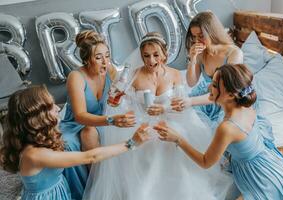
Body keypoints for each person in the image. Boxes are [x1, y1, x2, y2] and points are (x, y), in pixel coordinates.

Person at [83, 32, 233, 200]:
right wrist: (117, 100)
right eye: (146, 56)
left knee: (171, 141)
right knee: (147, 145)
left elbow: (181, 107)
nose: (151, 60)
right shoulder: (132, 75)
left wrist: (164, 109)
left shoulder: (176, 75)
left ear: (165, 55)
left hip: (171, 123)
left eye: (156, 55)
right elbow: (119, 104)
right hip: (142, 124)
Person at [155, 64, 283, 200]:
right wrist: (190, 101)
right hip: (274, 166)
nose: (209, 87)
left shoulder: (227, 127)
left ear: (230, 95)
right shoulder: (246, 106)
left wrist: (177, 139)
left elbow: (205, 162)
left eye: (215, 86)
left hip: (262, 180)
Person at [0, 85, 149, 200]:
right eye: (51, 106)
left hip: (58, 191)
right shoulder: (34, 154)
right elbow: (90, 157)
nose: (58, 108)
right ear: (38, 117)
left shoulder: (35, 138)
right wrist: (130, 143)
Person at [59, 30, 136, 199]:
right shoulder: (76, 77)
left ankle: (102, 187)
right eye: (98, 57)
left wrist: (122, 96)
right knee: (67, 144)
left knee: (94, 132)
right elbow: (80, 115)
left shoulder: (109, 69)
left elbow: (125, 92)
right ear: (86, 59)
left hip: (103, 121)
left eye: (107, 56)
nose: (105, 61)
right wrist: (111, 120)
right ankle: (86, 190)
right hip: (76, 123)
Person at [173, 11, 243, 124]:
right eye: (194, 37)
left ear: (212, 33)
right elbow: (191, 82)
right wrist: (192, 58)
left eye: (201, 36)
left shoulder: (234, 53)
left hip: (227, 99)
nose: (196, 41)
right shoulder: (201, 53)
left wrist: (190, 101)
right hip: (208, 97)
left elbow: (223, 92)